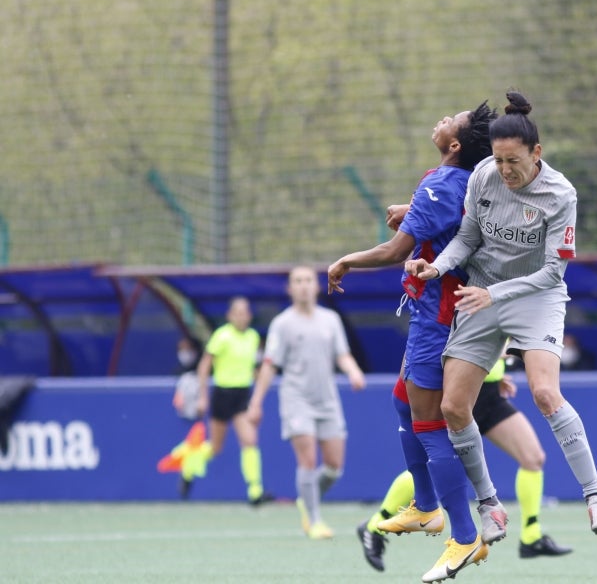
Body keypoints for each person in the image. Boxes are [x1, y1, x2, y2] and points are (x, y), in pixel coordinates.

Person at [404, 90, 597, 541]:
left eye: (513, 161)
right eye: (499, 160)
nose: (505, 170)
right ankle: (490, 506)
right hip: (482, 293)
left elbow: (551, 272)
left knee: (543, 392)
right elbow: (466, 238)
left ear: (536, 153)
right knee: (453, 407)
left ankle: (595, 495)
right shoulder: (483, 175)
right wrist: (435, 266)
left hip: (534, 297)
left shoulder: (561, 194)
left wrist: (494, 293)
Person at [327, 100, 499, 583]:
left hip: (439, 316)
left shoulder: (443, 183)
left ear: (455, 144)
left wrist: (346, 261)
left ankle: (464, 536)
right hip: (436, 311)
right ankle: (425, 506)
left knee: (429, 422)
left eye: (452, 119)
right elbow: (449, 222)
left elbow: (395, 251)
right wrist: (412, 210)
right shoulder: (459, 181)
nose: (443, 117)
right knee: (404, 401)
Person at [357, 355, 572, 572]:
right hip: (462, 392)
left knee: (533, 457)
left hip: (489, 394)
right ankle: (374, 525)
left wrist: (495, 371)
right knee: (434, 469)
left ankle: (531, 536)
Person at [249, 265, 366, 539]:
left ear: (316, 286)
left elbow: (342, 354)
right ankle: (313, 521)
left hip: (327, 400)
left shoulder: (330, 320)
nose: (303, 285)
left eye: (307, 280)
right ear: (289, 289)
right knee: (308, 460)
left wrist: (353, 371)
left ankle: (306, 498)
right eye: (297, 281)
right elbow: (269, 365)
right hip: (296, 399)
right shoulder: (282, 324)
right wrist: (256, 403)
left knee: (334, 467)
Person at [181, 297, 271, 505]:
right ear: (230, 315)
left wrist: (258, 391)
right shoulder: (221, 336)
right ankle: (189, 466)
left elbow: (254, 368)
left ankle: (255, 490)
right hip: (222, 394)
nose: (241, 316)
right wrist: (203, 396)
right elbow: (204, 366)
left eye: (245, 312)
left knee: (249, 440)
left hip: (242, 394)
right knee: (215, 447)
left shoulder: (252, 337)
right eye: (237, 312)